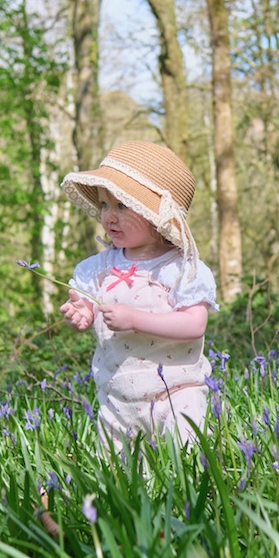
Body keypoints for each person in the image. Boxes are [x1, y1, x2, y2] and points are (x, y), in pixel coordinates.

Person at [59, 140, 217, 450]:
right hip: (117, 396)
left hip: (176, 393)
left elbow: (194, 324)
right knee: (116, 469)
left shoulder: (179, 269)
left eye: (122, 206)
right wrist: (81, 313)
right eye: (104, 205)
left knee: (186, 455)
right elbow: (86, 306)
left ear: (157, 215)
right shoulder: (98, 268)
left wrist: (135, 320)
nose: (108, 216)